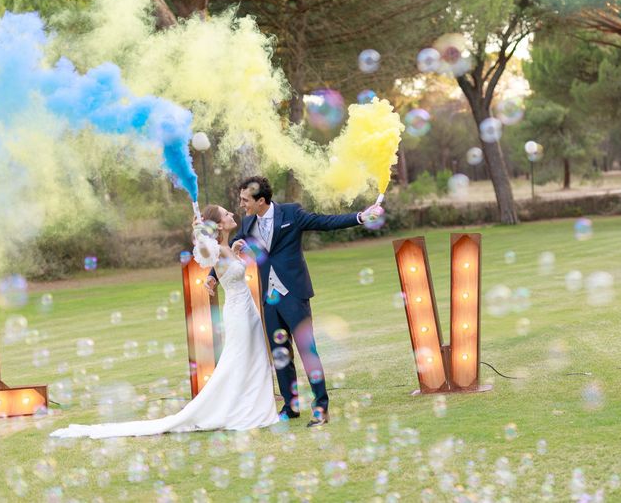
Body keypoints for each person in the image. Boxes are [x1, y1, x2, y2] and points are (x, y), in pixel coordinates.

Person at [50, 205, 279, 439]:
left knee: (253, 356)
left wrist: (235, 251)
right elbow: (204, 250)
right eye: (226, 214)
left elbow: (229, 268)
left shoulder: (225, 249)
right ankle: (238, 410)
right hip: (238, 312)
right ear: (219, 224)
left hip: (246, 310)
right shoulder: (214, 250)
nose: (232, 214)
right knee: (238, 358)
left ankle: (251, 405)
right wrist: (198, 232)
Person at [206, 176, 382, 427]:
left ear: (261, 201)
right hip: (269, 298)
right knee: (281, 354)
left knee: (307, 351)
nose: (241, 204)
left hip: (295, 294)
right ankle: (290, 406)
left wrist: (360, 217)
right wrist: (213, 276)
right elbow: (228, 251)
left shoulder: (292, 213)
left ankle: (321, 407)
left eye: (245, 200)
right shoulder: (247, 222)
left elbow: (325, 222)